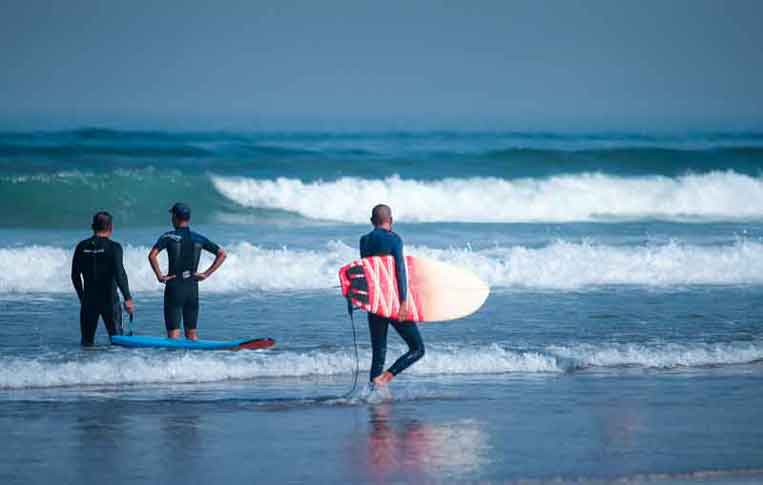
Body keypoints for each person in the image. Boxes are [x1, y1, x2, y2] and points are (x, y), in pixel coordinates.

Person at [360, 204, 425, 386]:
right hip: (394, 303)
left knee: (378, 353)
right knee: (418, 349)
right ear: (391, 220)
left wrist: (360, 299)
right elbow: (400, 270)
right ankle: (388, 376)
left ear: (372, 221)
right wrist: (403, 301)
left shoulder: (364, 240)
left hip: (374, 303)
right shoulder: (394, 239)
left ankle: (373, 395)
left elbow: (369, 272)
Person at [148, 203, 226, 340]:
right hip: (192, 288)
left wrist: (160, 276)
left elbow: (152, 255)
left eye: (172, 215)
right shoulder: (198, 238)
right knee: (192, 335)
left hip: (174, 287)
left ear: (175, 217)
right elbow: (222, 254)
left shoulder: (168, 236)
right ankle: (194, 361)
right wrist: (206, 274)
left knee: (173, 336)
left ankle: (174, 361)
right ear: (188, 218)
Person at [71, 211, 134, 346]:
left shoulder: (81, 246)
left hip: (88, 300)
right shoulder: (114, 247)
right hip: (110, 301)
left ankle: (83, 366)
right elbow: (119, 273)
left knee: (86, 343)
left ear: (93, 226)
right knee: (117, 341)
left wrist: (82, 297)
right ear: (110, 227)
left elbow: (75, 275)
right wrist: (127, 298)